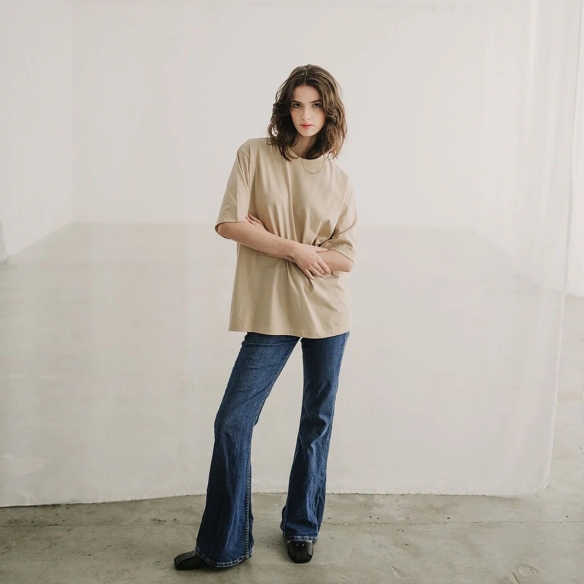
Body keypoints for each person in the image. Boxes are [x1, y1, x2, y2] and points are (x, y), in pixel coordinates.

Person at [174, 64, 357, 570]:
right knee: (232, 421)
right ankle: (225, 545)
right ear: (285, 108)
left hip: (327, 311)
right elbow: (229, 224)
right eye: (297, 104)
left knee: (316, 420)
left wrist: (272, 240)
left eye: (315, 106)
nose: (305, 115)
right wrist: (297, 248)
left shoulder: (339, 180)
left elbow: (345, 258)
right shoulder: (254, 154)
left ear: (330, 113)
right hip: (272, 309)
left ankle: (302, 526)